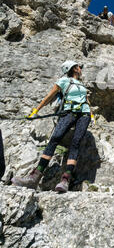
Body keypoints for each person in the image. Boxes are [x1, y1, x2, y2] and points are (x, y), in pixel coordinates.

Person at [12, 60, 95, 193]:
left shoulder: (81, 85)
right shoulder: (63, 81)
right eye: (79, 67)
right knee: (55, 138)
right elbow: (49, 96)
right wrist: (36, 110)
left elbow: (86, 100)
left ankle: (65, 180)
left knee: (76, 143)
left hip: (84, 115)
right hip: (69, 112)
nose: (81, 69)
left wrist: (91, 114)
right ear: (74, 69)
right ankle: (34, 177)